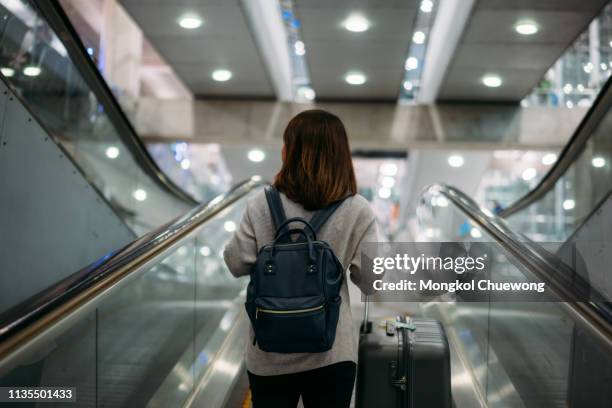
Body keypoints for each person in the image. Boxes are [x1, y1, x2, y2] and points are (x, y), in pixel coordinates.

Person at [223, 109, 378, 407]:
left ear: (290, 151)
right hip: (332, 352)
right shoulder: (358, 210)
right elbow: (371, 280)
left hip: (269, 352)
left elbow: (235, 262)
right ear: (341, 155)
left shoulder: (261, 204)